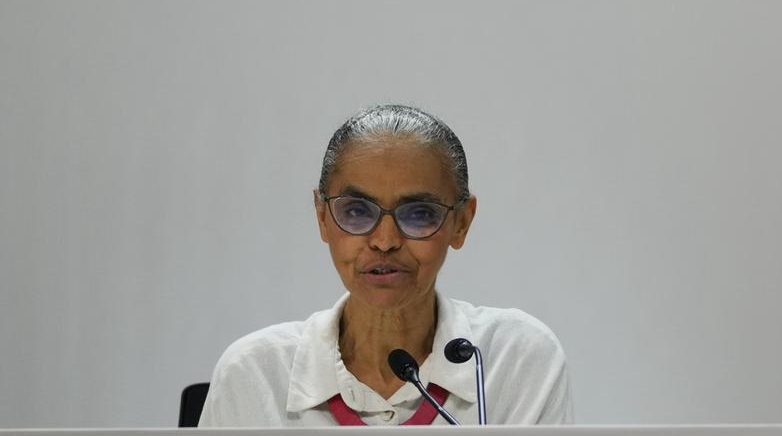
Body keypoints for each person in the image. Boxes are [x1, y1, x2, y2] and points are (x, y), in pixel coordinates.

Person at [200, 104, 573, 426]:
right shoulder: (256, 373)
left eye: (420, 213)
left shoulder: (513, 359)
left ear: (462, 222)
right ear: (322, 217)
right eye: (357, 211)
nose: (385, 240)